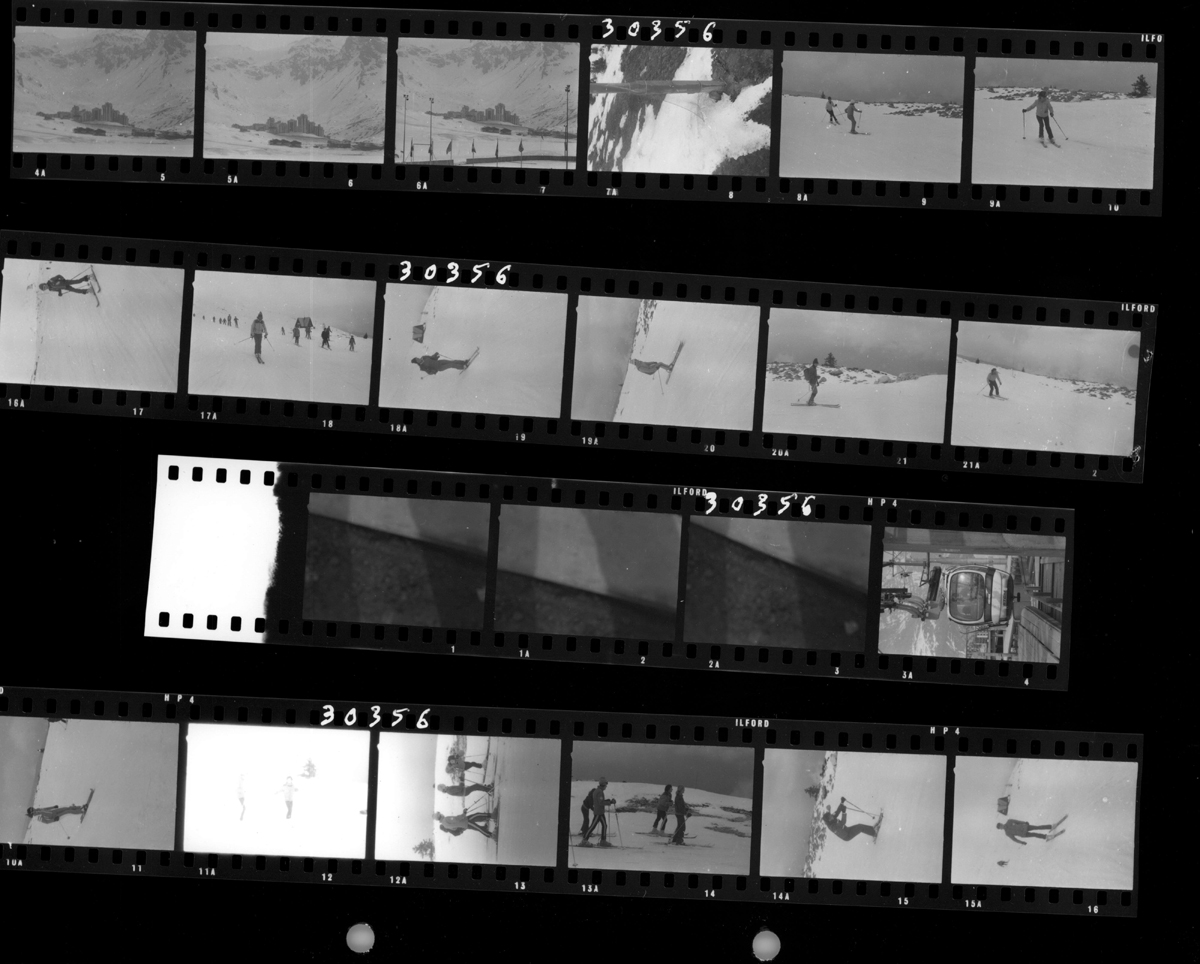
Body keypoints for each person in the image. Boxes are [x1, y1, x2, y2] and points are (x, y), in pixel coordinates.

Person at [582, 778, 615, 844]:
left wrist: (609, 801)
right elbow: (600, 802)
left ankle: (603, 840)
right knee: (593, 826)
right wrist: (610, 802)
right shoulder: (599, 792)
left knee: (604, 825)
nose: (606, 787)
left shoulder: (598, 791)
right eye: (606, 785)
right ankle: (584, 840)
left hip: (600, 812)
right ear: (603, 785)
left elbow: (600, 801)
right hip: (598, 812)